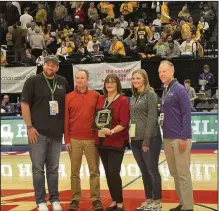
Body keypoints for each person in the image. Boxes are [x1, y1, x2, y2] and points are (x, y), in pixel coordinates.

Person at [21, 55, 70, 211]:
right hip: (37, 133)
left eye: (53, 65)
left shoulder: (62, 82)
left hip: (56, 133)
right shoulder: (32, 81)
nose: (50, 67)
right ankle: (40, 200)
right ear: (43, 65)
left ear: (57, 67)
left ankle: (54, 199)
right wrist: (29, 127)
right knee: (37, 169)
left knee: (53, 169)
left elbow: (68, 107)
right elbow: (24, 104)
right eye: (48, 65)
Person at [64, 70, 103, 211]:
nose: (79, 80)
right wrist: (67, 140)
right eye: (77, 78)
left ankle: (96, 199)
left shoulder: (96, 96)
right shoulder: (68, 97)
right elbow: (66, 120)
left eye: (82, 78)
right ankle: (75, 199)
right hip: (74, 140)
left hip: (92, 139)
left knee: (94, 171)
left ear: (87, 80)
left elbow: (101, 117)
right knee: (74, 172)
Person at [158, 60, 193, 211]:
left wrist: (184, 137)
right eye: (159, 72)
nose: (161, 74)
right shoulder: (165, 89)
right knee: (174, 173)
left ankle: (188, 207)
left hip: (180, 138)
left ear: (172, 71)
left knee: (183, 173)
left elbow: (186, 114)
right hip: (167, 137)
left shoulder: (179, 89)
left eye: (164, 71)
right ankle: (182, 203)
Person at [95, 73, 130, 211]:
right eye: (107, 82)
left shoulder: (123, 100)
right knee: (108, 173)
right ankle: (114, 200)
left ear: (117, 84)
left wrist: (113, 131)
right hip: (102, 141)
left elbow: (124, 122)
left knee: (114, 172)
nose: (109, 85)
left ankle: (120, 201)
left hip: (116, 141)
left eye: (112, 82)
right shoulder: (100, 98)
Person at [130, 69, 162, 211]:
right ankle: (148, 198)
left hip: (150, 139)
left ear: (144, 79)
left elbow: (152, 119)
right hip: (135, 140)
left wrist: (146, 140)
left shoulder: (151, 95)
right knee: (144, 171)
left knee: (152, 170)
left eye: (138, 78)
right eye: (133, 78)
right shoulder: (133, 96)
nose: (135, 81)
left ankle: (157, 200)